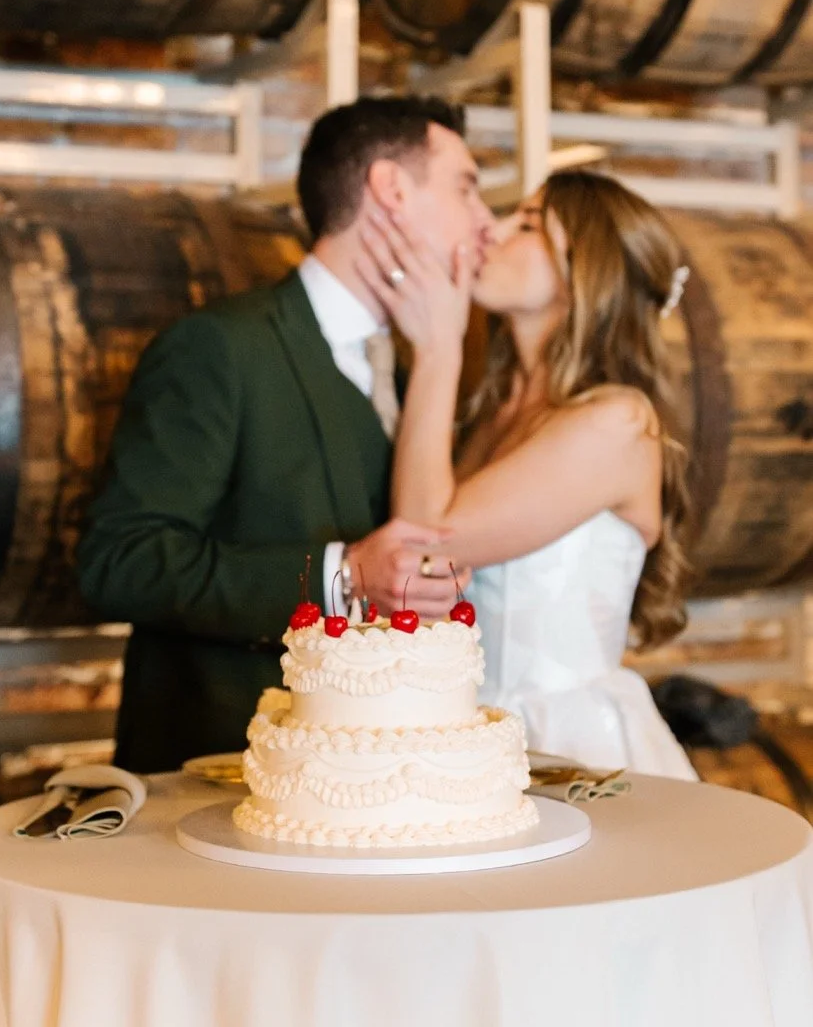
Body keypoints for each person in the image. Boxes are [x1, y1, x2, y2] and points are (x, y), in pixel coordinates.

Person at [77, 95, 494, 772]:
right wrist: (342, 575)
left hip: (383, 778)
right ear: (389, 189)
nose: (486, 223)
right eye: (466, 189)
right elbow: (118, 562)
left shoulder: (423, 358)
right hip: (219, 781)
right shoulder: (220, 348)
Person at [358, 168, 698, 779]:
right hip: (466, 732)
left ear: (584, 268)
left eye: (531, 222)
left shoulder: (617, 420)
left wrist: (438, 347)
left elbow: (425, 540)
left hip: (567, 750)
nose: (493, 226)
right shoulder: (494, 411)